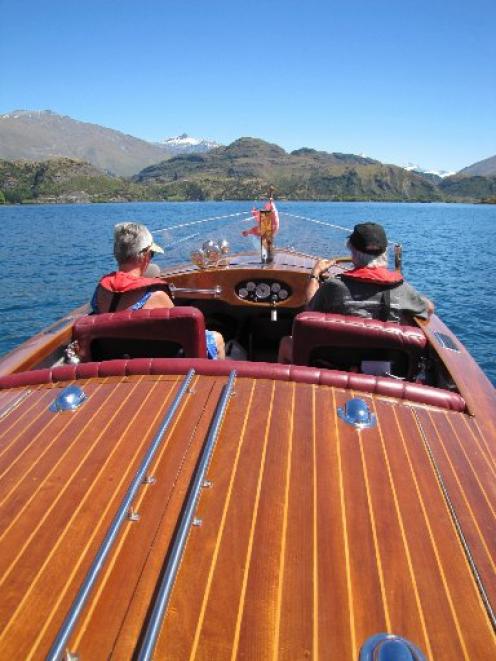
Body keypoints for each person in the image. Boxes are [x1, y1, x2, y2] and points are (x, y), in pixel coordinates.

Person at [278, 222, 433, 362]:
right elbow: (428, 308)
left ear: (352, 251)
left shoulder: (335, 286)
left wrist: (315, 275)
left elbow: (309, 312)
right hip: (383, 369)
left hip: (336, 365)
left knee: (286, 342)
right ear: (384, 252)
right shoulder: (400, 288)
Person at [91, 222, 225, 359]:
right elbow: (183, 332)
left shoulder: (101, 290)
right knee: (217, 338)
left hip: (115, 357)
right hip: (156, 361)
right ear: (145, 256)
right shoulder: (156, 295)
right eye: (152, 254)